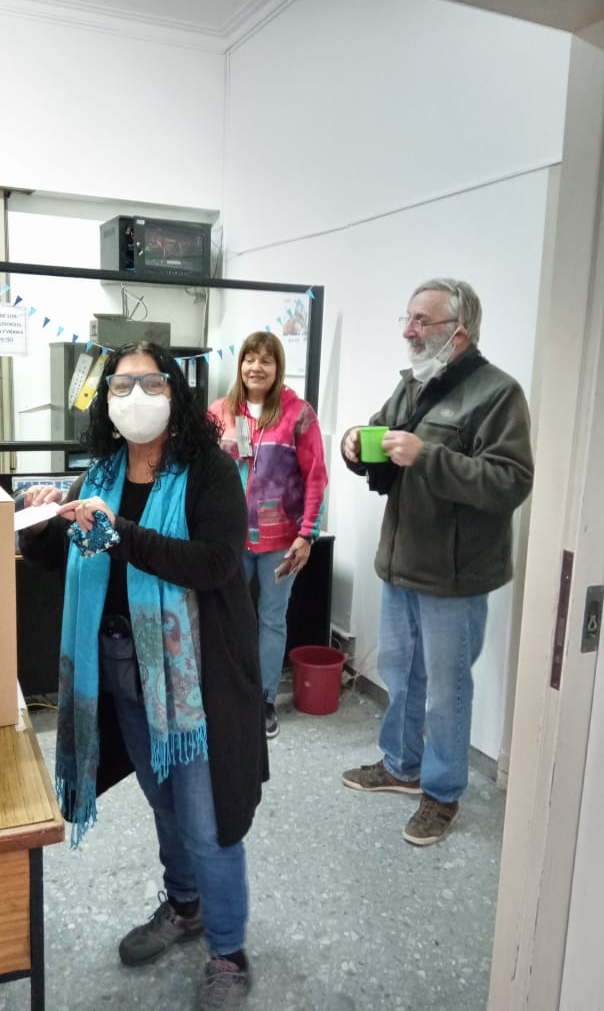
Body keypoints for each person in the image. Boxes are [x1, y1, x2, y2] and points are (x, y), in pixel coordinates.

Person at [19, 341, 267, 1010]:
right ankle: (184, 907)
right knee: (164, 802)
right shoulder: (99, 473)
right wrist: (40, 523)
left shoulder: (209, 471)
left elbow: (216, 563)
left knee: (206, 820)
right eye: (121, 385)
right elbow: (55, 556)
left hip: (194, 680)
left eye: (151, 383)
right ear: (104, 401)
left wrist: (121, 532)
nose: (135, 397)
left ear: (175, 393)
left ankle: (227, 950)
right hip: (119, 666)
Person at [340, 278, 534, 846]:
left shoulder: (498, 394)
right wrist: (354, 443)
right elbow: (379, 434)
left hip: (455, 575)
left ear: (459, 332)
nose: (409, 330)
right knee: (401, 673)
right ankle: (401, 765)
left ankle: (443, 792)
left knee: (447, 690)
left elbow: (510, 482)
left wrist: (429, 457)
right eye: (407, 318)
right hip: (401, 563)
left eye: (421, 321)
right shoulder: (412, 385)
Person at [208, 331, 328, 739]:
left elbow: (316, 477)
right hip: (229, 538)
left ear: (278, 368)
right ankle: (230, 694)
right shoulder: (219, 412)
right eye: (249, 359)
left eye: (266, 360)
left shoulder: (298, 414)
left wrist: (308, 534)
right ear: (240, 364)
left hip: (281, 542)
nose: (256, 367)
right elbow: (199, 470)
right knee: (228, 617)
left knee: (272, 621)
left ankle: (263, 701)